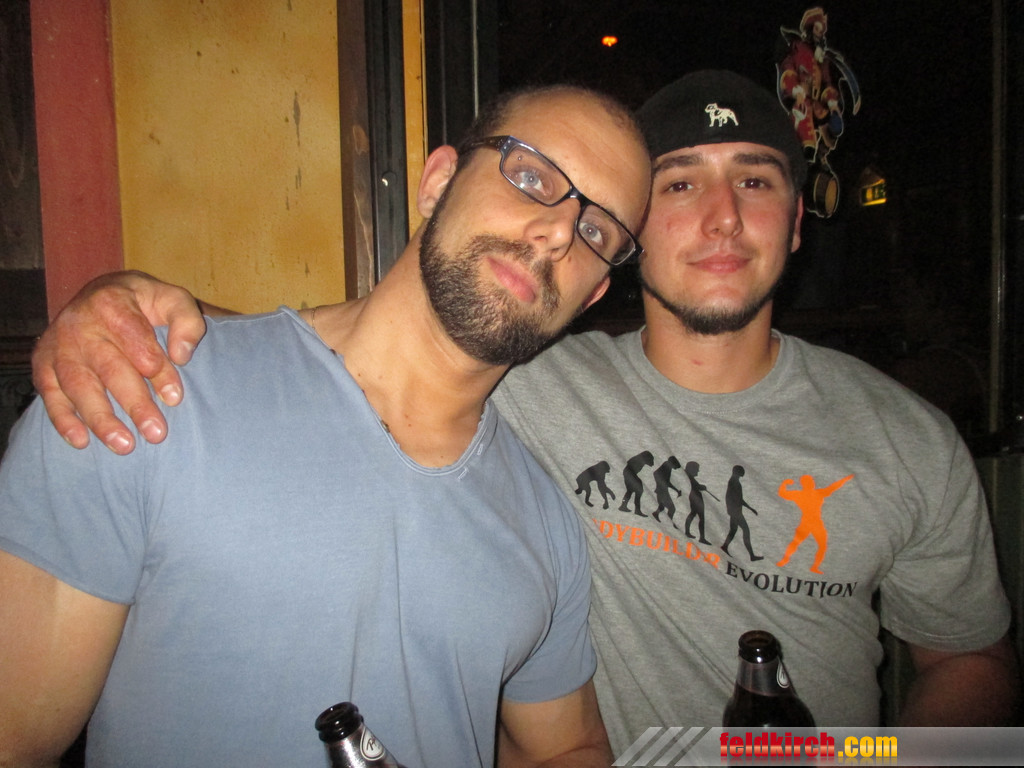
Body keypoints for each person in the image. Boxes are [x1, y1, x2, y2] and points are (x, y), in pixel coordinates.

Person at [25, 70, 1020, 750]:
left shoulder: (907, 441)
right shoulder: (536, 380)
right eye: (680, 184)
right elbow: (351, 363)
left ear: (798, 222)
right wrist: (137, 315)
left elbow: (969, 660)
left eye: (755, 181)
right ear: (437, 179)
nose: (722, 216)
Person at [0, 84, 655, 767]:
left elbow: (567, 747)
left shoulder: (547, 524)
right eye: (532, 176)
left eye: (596, 231)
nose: (559, 232)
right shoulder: (144, 388)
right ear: (438, 182)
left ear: (593, 293)